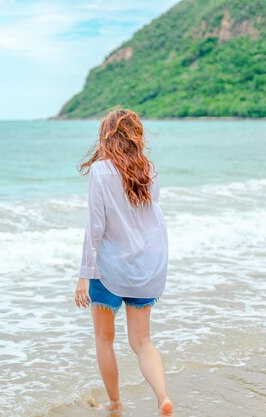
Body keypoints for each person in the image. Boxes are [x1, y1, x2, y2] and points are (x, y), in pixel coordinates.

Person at [74, 107, 173, 416]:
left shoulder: (101, 171)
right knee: (143, 341)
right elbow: (147, 217)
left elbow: (96, 227)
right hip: (146, 265)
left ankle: (116, 404)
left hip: (109, 268)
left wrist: (83, 275)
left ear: (106, 136)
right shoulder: (149, 169)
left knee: (104, 339)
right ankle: (162, 398)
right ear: (136, 136)